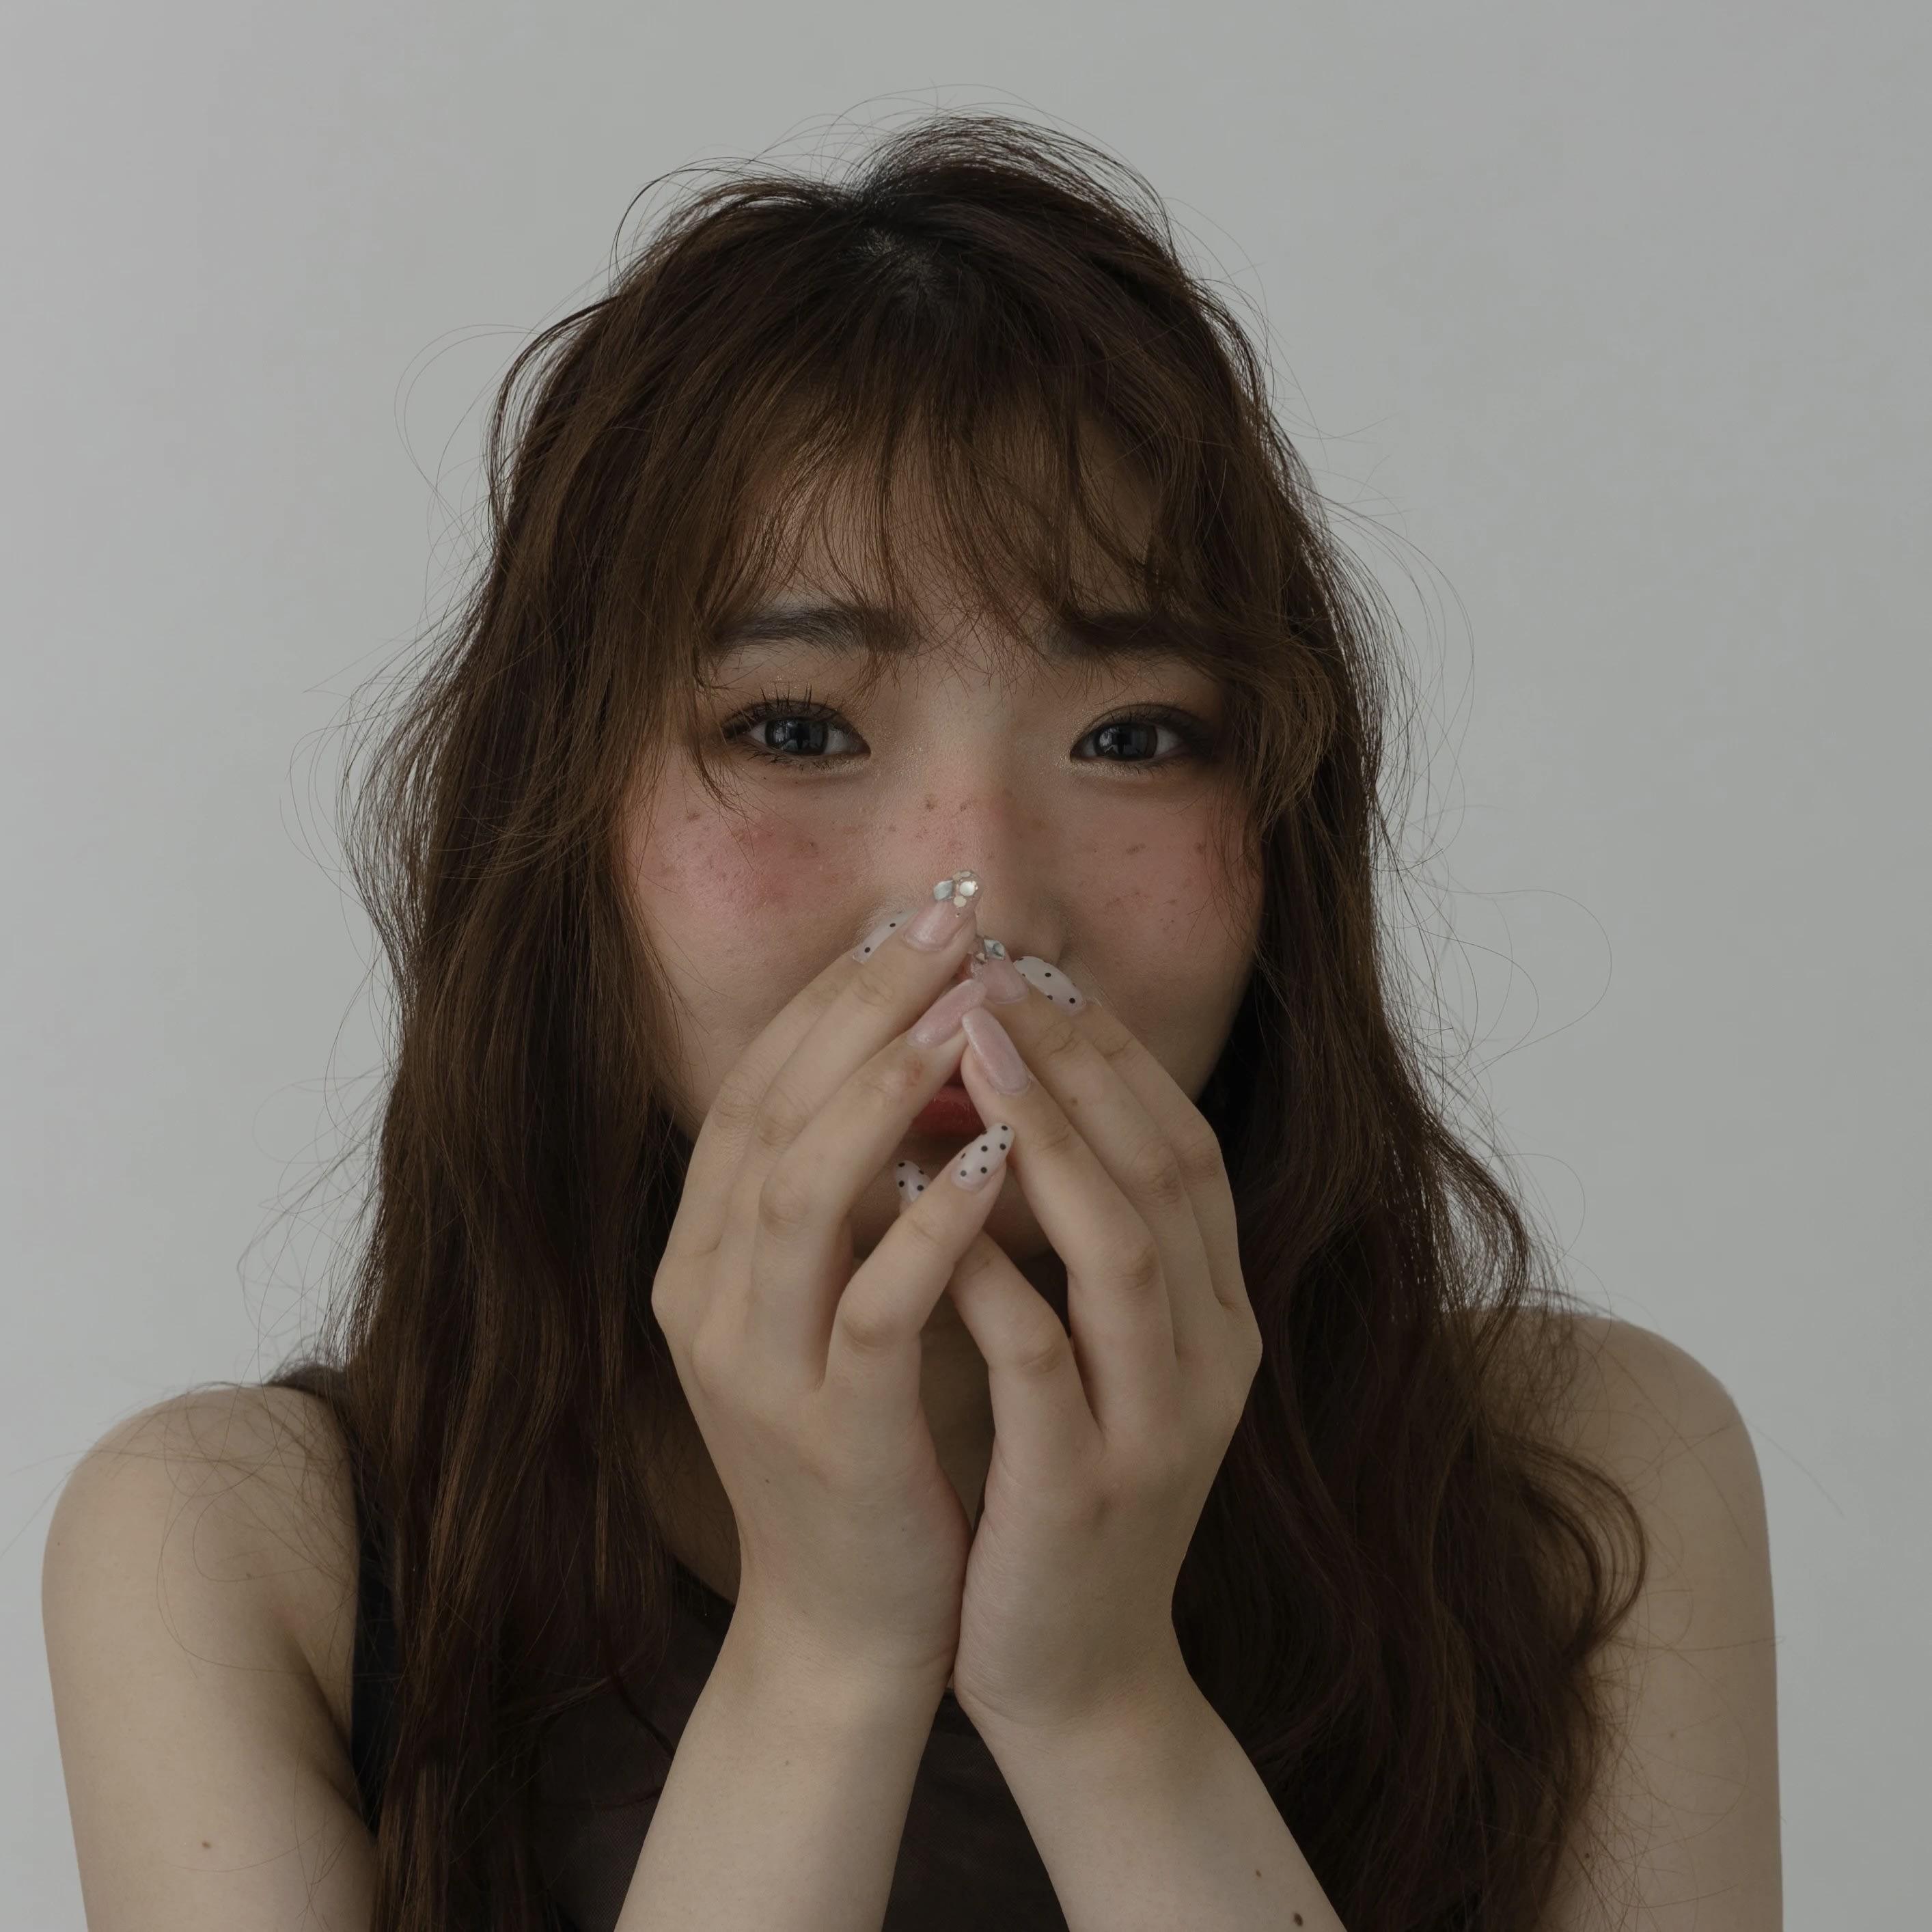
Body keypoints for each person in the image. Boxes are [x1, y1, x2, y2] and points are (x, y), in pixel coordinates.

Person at [41, 115, 1779, 1932]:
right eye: (795, 730)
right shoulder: (235, 1552)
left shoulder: (1585, 1478)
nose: (982, 899)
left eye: (1133, 735)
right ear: (557, 830)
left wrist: (1103, 1708)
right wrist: (824, 1660)